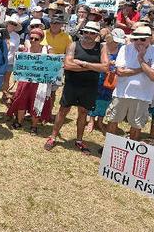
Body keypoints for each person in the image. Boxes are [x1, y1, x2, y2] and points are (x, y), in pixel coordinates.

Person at [43, 22, 109, 153]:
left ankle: (79, 140)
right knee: (63, 110)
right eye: (86, 32)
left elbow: (105, 67)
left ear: (97, 35)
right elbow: (67, 65)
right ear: (82, 32)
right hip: (72, 84)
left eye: (92, 33)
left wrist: (83, 63)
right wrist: (93, 67)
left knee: (83, 112)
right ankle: (53, 136)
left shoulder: (101, 48)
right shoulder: (74, 45)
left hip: (89, 86)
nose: (88, 35)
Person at [106, 26, 154, 141]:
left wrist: (140, 58)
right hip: (122, 93)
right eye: (136, 39)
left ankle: (130, 150)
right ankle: (108, 146)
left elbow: (153, 76)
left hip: (142, 96)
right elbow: (120, 72)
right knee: (113, 120)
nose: (138, 42)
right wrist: (143, 69)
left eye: (142, 39)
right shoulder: (125, 49)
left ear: (150, 39)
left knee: (136, 125)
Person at [6, 28, 53, 133]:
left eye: (36, 39)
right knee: (21, 99)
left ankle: (34, 125)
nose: (33, 40)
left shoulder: (47, 49)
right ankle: (19, 121)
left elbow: (52, 66)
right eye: (31, 38)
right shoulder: (25, 50)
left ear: (41, 39)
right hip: (25, 80)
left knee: (37, 101)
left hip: (40, 82)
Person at [86, 28, 125, 134]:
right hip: (98, 76)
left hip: (111, 78)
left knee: (106, 99)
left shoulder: (122, 49)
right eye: (115, 40)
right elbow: (92, 60)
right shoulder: (101, 46)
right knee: (95, 97)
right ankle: (91, 120)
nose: (116, 43)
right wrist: (106, 63)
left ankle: (100, 120)